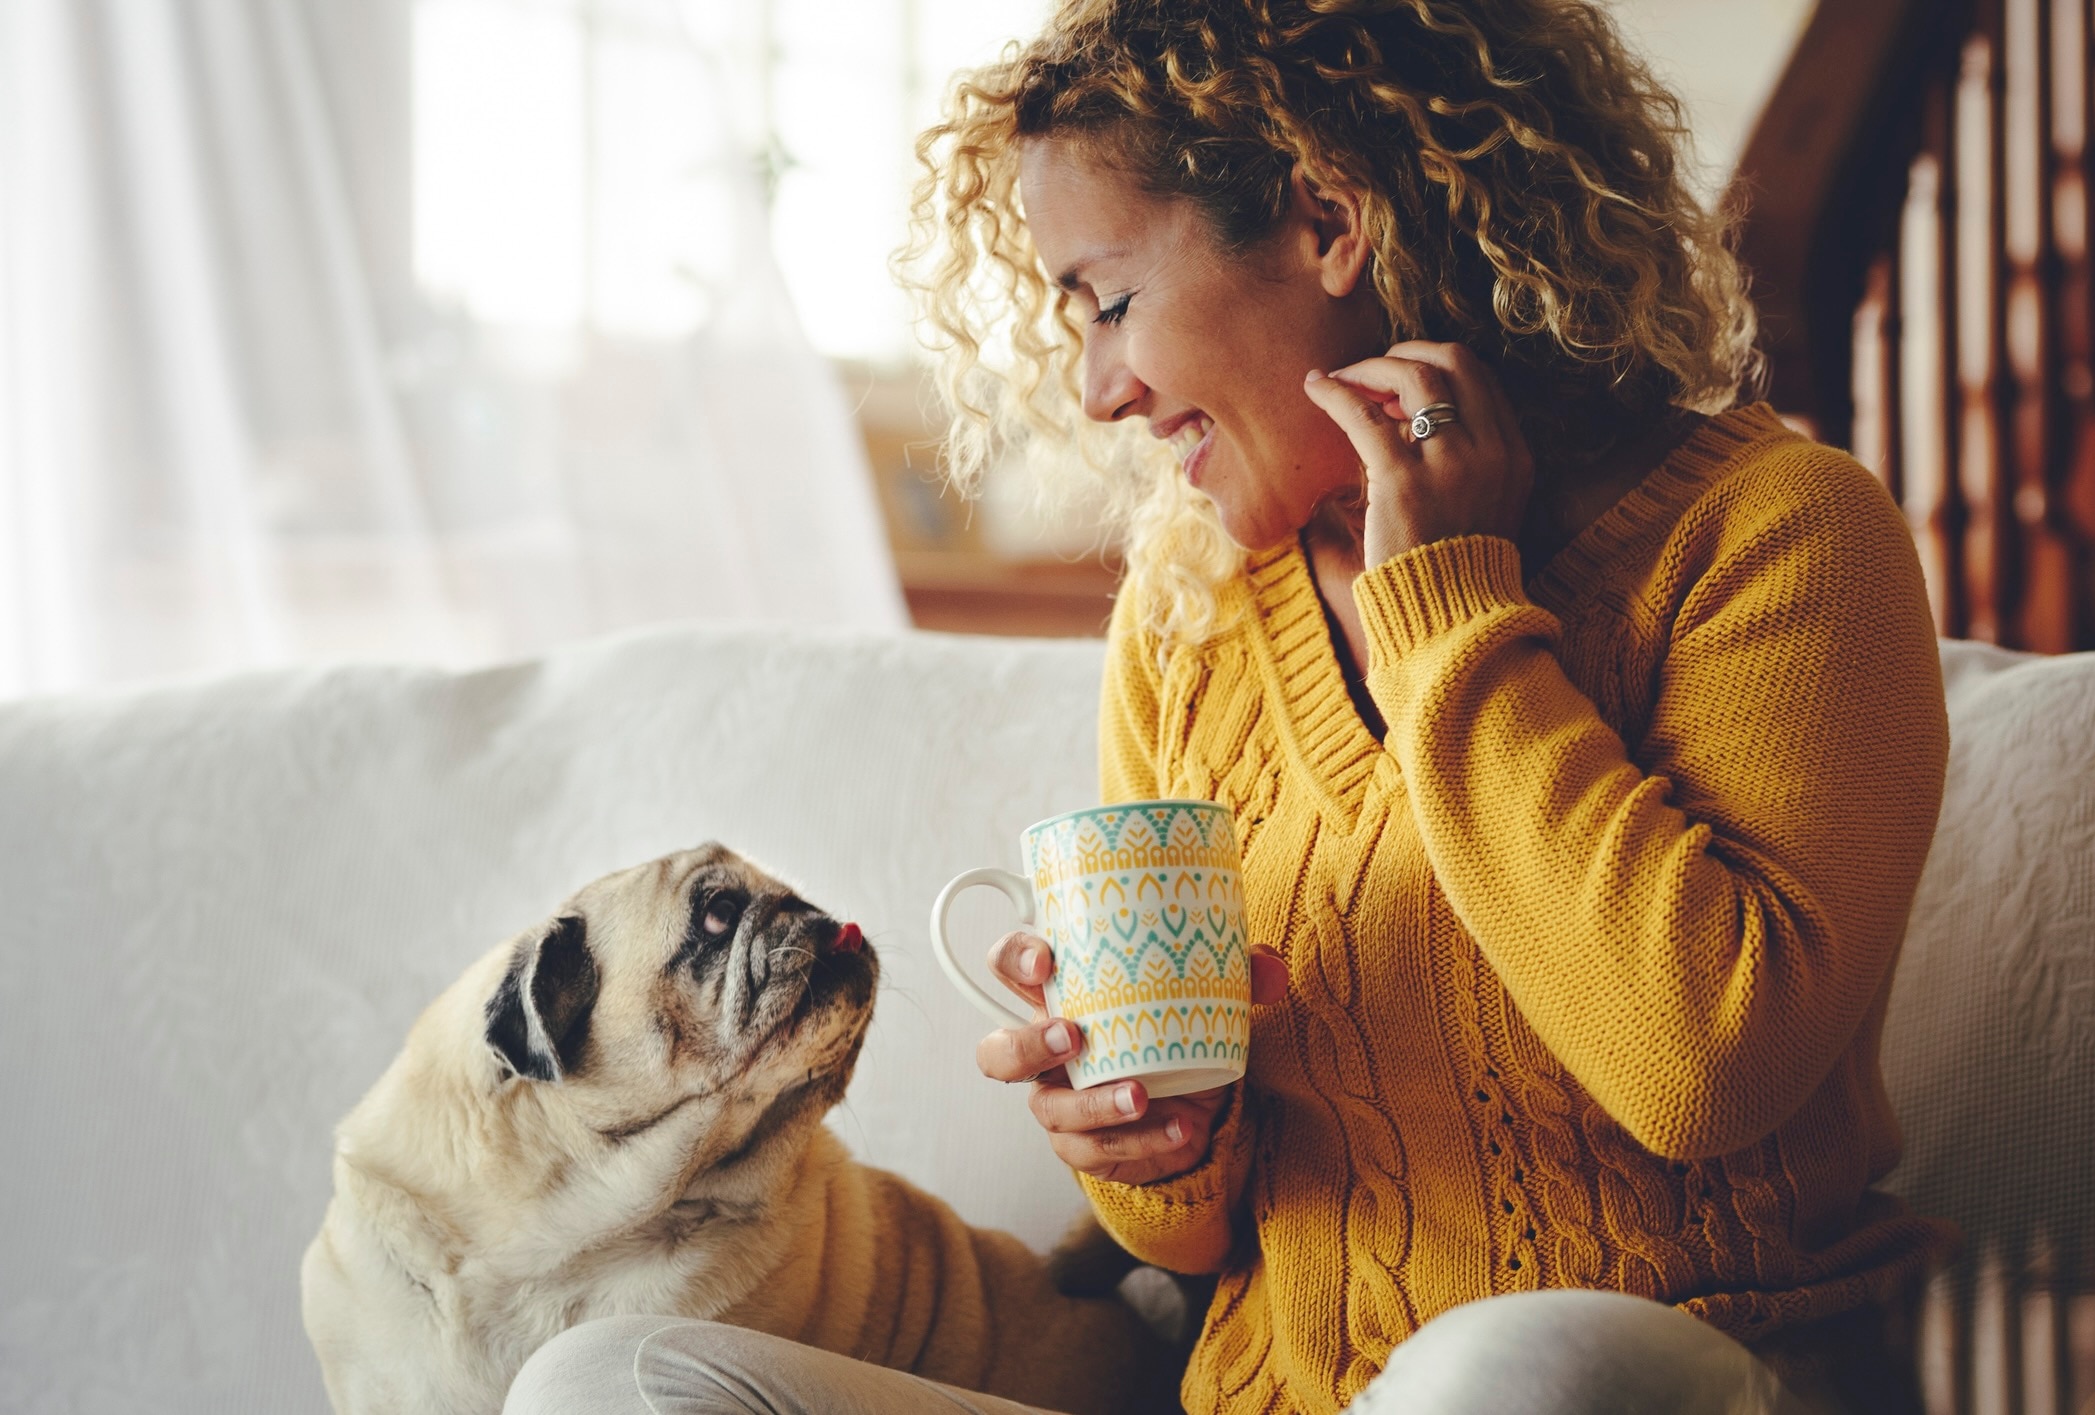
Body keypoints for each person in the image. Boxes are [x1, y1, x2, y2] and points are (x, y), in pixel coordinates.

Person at [504, 1, 1951, 1411]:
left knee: (1527, 1368)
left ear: (1330, 223)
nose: (1097, 389)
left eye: (1113, 301)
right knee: (609, 1385)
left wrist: (1449, 606)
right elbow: (1188, 1243)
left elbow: (1699, 1067)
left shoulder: (1778, 536)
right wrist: (1154, 1149)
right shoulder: (1192, 611)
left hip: (1678, 1375)